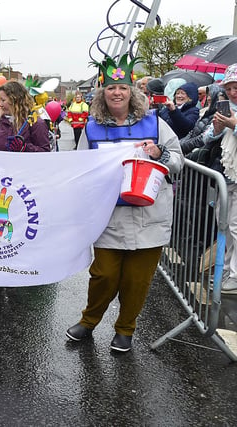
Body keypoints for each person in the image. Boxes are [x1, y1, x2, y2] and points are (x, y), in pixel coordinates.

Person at [66, 54, 184, 352]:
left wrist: (160, 154)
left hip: (149, 215)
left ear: (133, 91)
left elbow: (179, 160)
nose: (117, 92)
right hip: (109, 215)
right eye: (111, 88)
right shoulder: (92, 129)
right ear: (102, 93)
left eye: (123, 87)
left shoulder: (156, 123)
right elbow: (82, 168)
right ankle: (89, 320)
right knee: (103, 274)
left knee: (136, 280)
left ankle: (125, 329)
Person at [201, 63, 237, 294]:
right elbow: (206, 138)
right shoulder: (226, 108)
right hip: (226, 176)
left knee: (235, 225)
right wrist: (216, 127)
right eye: (230, 88)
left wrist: (233, 124)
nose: (234, 92)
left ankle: (235, 274)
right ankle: (227, 268)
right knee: (224, 223)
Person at [0, 80, 51, 152]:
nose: (0, 105)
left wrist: (25, 148)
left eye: (3, 100)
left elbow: (45, 151)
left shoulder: (35, 123)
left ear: (16, 101)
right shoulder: (0, 122)